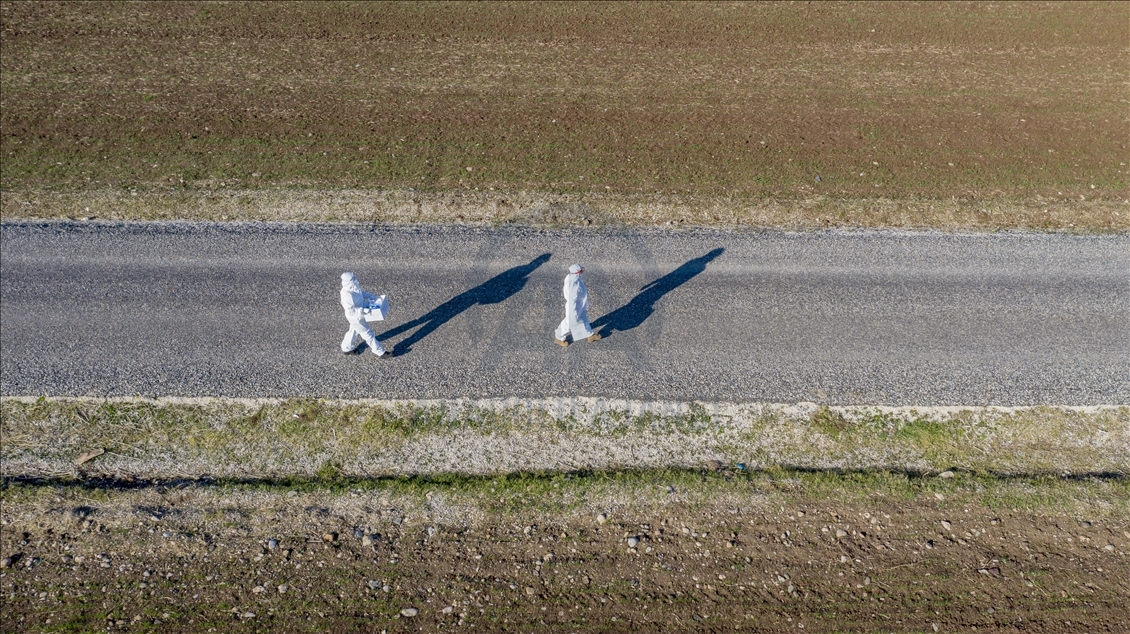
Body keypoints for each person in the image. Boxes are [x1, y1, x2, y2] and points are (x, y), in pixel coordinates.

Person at [339, 272, 388, 357]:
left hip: (359, 314)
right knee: (368, 334)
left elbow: (361, 293)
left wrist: (373, 297)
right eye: (352, 279)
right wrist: (364, 311)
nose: (355, 280)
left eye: (354, 277)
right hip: (355, 317)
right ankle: (380, 352)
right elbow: (351, 310)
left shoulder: (352, 287)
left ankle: (346, 348)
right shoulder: (346, 294)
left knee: (353, 331)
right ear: (347, 281)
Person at [554, 263, 601, 347]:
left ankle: (590, 335)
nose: (582, 272)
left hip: (580, 305)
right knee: (568, 322)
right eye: (581, 271)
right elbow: (572, 300)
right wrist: (573, 313)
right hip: (574, 307)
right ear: (577, 273)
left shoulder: (574, 278)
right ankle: (559, 337)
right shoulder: (573, 285)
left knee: (584, 319)